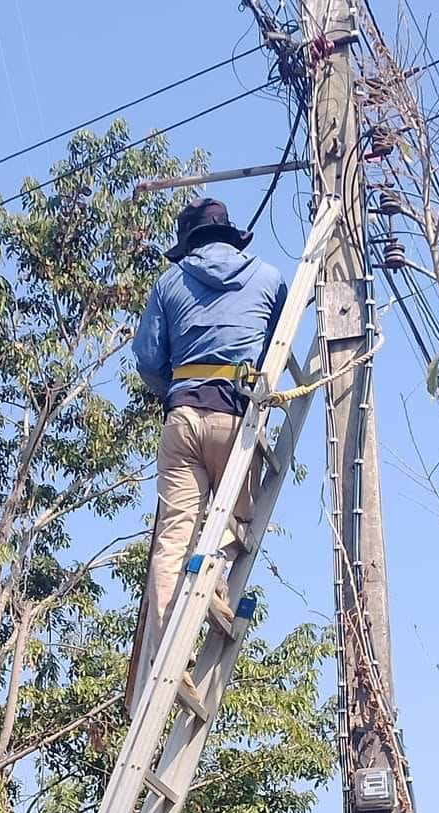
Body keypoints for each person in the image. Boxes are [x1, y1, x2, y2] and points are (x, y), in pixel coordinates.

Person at [126, 197, 287, 716]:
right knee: (234, 527)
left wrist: (177, 387)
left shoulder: (168, 285)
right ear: (229, 234)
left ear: (189, 242)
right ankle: (216, 591)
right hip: (237, 421)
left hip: (183, 418)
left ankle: (173, 647)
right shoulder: (268, 277)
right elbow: (277, 346)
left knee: (174, 536)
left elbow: (149, 359)